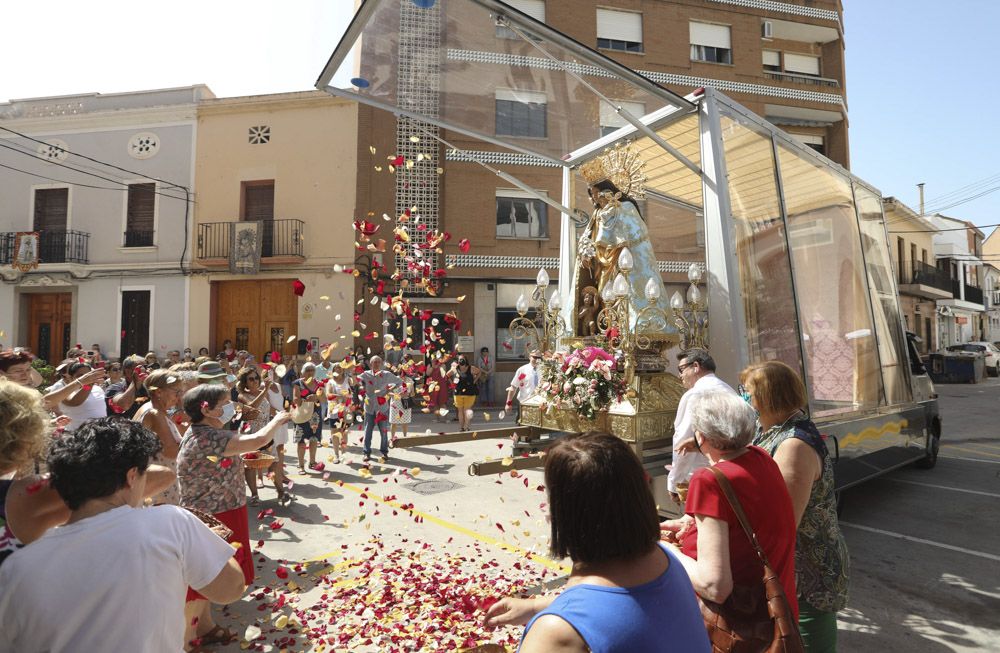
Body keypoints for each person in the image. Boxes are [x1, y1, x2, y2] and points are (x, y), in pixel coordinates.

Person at [0, 417, 246, 653]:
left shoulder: (17, 568)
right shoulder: (170, 523)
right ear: (131, 477)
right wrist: (210, 542)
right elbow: (229, 590)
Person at [485, 432, 710, 652]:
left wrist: (553, 618)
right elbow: (618, 606)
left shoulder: (555, 634)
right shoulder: (665, 556)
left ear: (567, 513)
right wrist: (535, 606)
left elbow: (603, 614)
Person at [660, 392, 798, 624]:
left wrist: (666, 549)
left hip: (741, 628)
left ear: (701, 437)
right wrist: (691, 524)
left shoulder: (709, 479)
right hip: (777, 611)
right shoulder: (761, 457)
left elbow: (714, 586)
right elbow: (749, 517)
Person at [741, 361, 850, 652]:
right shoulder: (776, 430)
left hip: (806, 575)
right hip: (791, 573)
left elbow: (785, 521)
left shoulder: (793, 446)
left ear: (768, 396)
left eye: (748, 392)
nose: (745, 398)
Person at [176, 384, 289, 648]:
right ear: (207, 409)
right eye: (225, 403)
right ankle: (186, 638)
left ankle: (204, 626)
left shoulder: (209, 433)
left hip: (223, 508)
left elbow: (223, 459)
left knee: (210, 575)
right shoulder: (207, 437)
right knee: (202, 576)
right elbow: (258, 440)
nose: (231, 407)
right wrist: (278, 418)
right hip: (212, 513)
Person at [666, 349, 736, 504]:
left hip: (702, 475)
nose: (680, 375)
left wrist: (674, 482)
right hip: (731, 470)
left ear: (696, 366)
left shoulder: (694, 394)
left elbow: (683, 442)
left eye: (681, 370)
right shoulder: (728, 389)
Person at [133, 369, 184, 505]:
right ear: (159, 392)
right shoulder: (155, 414)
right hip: (159, 484)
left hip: (152, 478)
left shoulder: (150, 409)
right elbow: (171, 451)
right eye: (176, 391)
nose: (179, 396)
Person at [236, 366, 287, 504]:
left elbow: (269, 408)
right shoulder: (242, 395)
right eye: (251, 379)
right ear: (244, 382)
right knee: (250, 465)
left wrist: (280, 416)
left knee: (274, 462)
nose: (255, 381)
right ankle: (254, 495)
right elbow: (252, 407)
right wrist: (264, 390)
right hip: (250, 433)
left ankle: (281, 492)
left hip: (265, 432)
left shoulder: (263, 392)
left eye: (256, 378)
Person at [358, 355, 401, 462]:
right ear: (370, 364)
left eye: (378, 362)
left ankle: (384, 452)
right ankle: (366, 453)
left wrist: (390, 388)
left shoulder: (386, 375)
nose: (376, 364)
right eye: (374, 362)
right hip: (369, 407)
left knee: (384, 431)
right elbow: (355, 380)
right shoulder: (366, 374)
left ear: (381, 364)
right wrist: (360, 386)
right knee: (368, 431)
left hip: (382, 408)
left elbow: (399, 382)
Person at [291, 362, 325, 473]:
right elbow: (296, 400)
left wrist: (316, 397)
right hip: (301, 415)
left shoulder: (319, 384)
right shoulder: (298, 383)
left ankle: (312, 462)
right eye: (307, 370)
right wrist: (306, 399)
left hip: (315, 415)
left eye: (312, 370)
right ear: (303, 372)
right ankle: (301, 465)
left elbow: (324, 399)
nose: (310, 372)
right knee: (301, 442)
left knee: (314, 439)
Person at [56, 362, 109, 431]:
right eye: (80, 376)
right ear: (71, 378)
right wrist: (89, 383)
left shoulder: (98, 389)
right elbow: (75, 402)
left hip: (99, 434)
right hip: (75, 436)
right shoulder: (64, 392)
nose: (85, 378)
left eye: (87, 375)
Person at [326, 365, 353, 462]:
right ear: (333, 371)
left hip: (345, 410)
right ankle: (336, 455)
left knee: (344, 432)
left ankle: (343, 454)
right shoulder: (330, 382)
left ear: (343, 370)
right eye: (336, 369)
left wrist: (347, 396)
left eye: (340, 368)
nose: (338, 370)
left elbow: (351, 393)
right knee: (335, 433)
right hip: (334, 411)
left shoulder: (348, 380)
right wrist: (341, 396)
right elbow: (328, 395)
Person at [452, 356, 482, 432]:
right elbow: (447, 375)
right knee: (461, 411)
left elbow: (479, 372)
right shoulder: (455, 368)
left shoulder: (471, 368)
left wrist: (474, 381)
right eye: (460, 360)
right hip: (458, 392)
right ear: (458, 361)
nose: (461, 361)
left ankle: (465, 427)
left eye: (463, 360)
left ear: (466, 360)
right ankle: (463, 427)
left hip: (469, 392)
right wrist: (452, 384)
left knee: (466, 410)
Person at [389, 372, 414, 441]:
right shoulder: (393, 379)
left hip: (405, 403)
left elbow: (412, 393)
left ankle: (405, 438)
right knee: (394, 422)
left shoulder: (409, 380)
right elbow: (388, 392)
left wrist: (408, 394)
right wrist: (396, 395)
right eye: (401, 374)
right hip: (395, 404)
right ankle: (392, 439)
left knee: (405, 422)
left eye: (404, 374)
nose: (403, 376)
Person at [426, 356, 451, 421]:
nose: (434, 359)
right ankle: (437, 419)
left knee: (442, 402)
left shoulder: (442, 365)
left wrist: (437, 365)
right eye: (433, 358)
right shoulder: (430, 365)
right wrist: (432, 365)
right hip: (433, 386)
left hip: (442, 386)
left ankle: (446, 419)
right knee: (435, 403)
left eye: (435, 357)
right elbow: (428, 373)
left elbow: (443, 373)